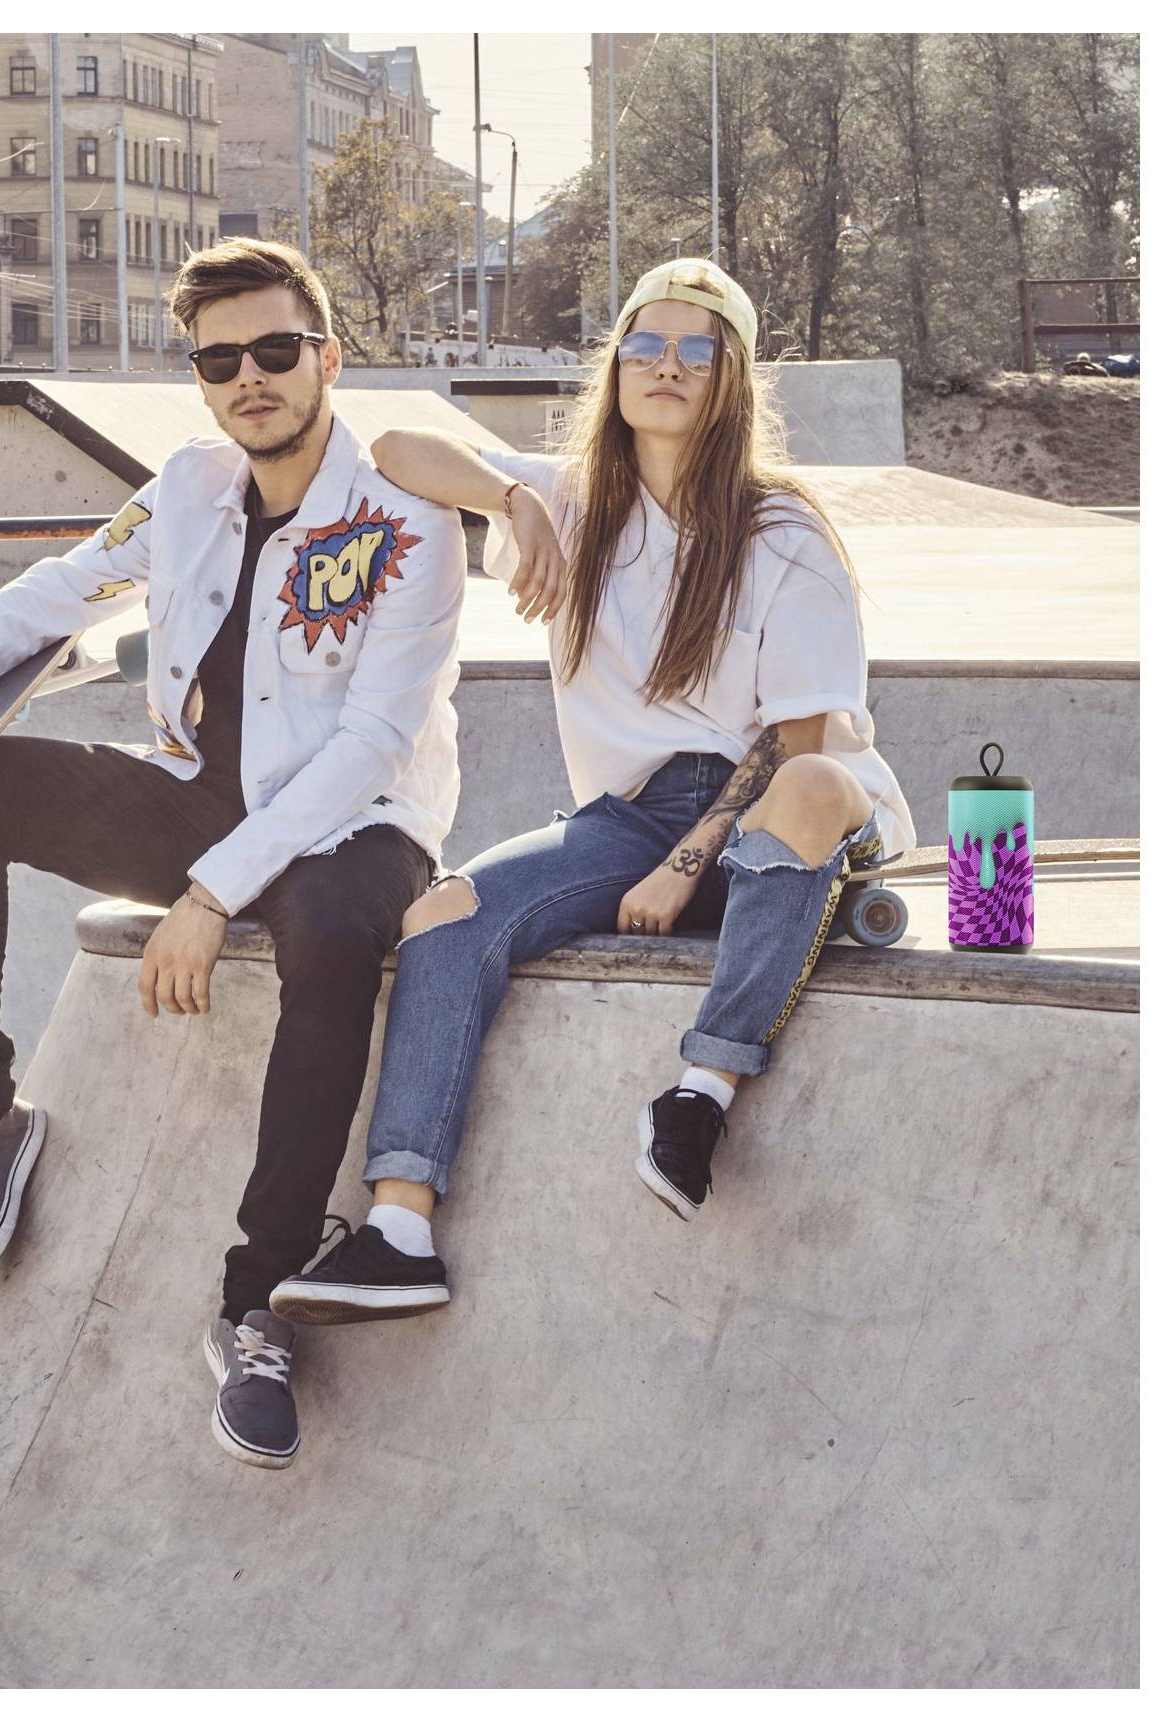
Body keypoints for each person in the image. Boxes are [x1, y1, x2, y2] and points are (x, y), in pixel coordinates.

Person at [0, 239, 466, 1467]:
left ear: (327, 358)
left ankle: (257, 1304)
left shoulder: (404, 523)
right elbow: (53, 595)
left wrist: (210, 896)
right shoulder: (185, 490)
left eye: (275, 350)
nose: (249, 378)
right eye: (219, 361)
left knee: (333, 937)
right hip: (196, 795)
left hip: (355, 820)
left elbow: (372, 742)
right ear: (200, 381)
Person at [269, 258, 916, 1321]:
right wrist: (513, 502)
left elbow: (793, 737)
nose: (667, 365)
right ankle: (398, 1232)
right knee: (445, 915)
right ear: (614, 368)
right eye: (644, 345)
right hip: (629, 816)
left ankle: (699, 1096)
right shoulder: (574, 500)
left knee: (807, 781)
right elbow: (392, 447)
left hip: (782, 816)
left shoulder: (782, 530)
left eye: (697, 350)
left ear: (731, 380)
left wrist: (686, 863)